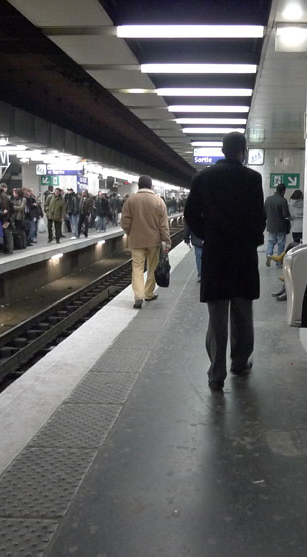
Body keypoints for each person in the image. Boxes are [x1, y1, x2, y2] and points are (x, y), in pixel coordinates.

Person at [183, 132, 266, 390]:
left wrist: (208, 235)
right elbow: (259, 218)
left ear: (222, 150)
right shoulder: (253, 179)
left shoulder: (203, 178)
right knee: (242, 313)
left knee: (217, 316)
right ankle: (239, 362)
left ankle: (216, 373)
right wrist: (250, 239)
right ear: (242, 150)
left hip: (216, 255)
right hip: (242, 256)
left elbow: (190, 214)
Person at [120, 175, 170, 309]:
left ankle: (138, 297)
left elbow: (124, 222)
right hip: (154, 241)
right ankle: (148, 293)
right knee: (152, 267)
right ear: (151, 186)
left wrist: (131, 232)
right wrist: (166, 241)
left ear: (138, 186)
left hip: (136, 241)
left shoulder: (130, 201)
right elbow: (163, 225)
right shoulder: (158, 201)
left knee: (137, 268)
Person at [264, 183, 290, 266]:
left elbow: (264, 212)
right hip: (280, 226)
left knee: (271, 241)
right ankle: (279, 262)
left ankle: (268, 255)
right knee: (281, 244)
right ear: (283, 191)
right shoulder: (283, 200)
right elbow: (285, 214)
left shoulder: (268, 199)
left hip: (271, 225)